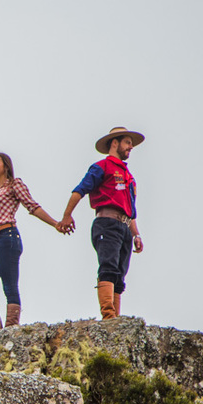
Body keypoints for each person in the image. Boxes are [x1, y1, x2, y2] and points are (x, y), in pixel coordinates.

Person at [58, 126, 145, 319]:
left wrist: (136, 234)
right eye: (127, 142)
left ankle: (115, 317)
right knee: (108, 266)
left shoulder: (130, 177)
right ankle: (108, 315)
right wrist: (67, 215)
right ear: (115, 143)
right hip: (107, 222)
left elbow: (131, 211)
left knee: (120, 274)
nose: (131, 147)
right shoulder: (101, 167)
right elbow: (79, 190)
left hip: (124, 227)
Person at [0, 152, 68, 331]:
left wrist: (55, 223)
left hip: (8, 238)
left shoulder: (14, 185)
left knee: (9, 286)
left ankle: (11, 330)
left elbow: (32, 206)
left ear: (6, 166)